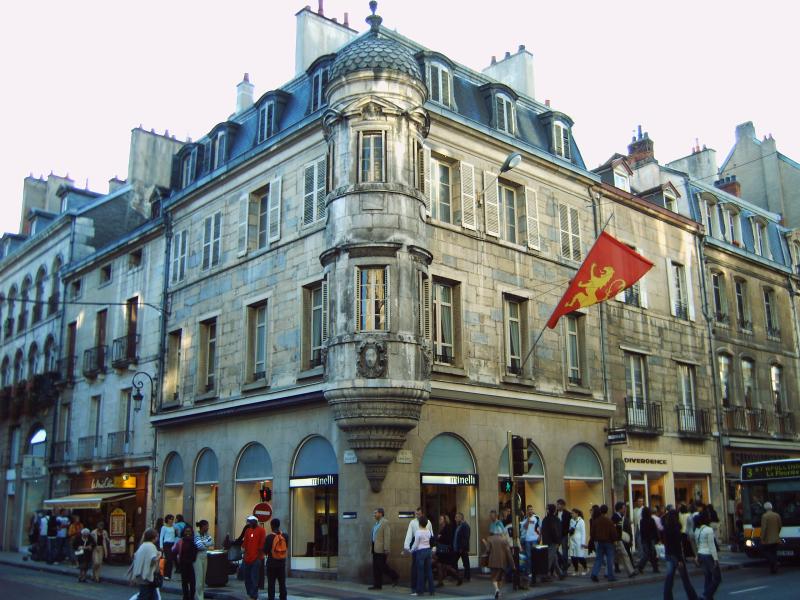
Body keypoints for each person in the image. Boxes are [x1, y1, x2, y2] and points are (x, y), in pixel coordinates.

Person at [662, 508, 699, 600]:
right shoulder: (676, 528)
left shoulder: (666, 528)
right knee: (685, 579)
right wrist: (679, 559)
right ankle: (692, 597)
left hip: (668, 554)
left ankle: (667, 597)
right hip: (676, 555)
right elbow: (677, 545)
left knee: (669, 578)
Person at [403, 507, 432, 591]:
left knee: (426, 568)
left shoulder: (428, 522)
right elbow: (409, 535)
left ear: (422, 514)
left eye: (419, 514)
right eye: (416, 514)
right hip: (417, 549)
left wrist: (432, 547)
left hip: (425, 548)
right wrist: (407, 546)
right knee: (415, 568)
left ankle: (423, 586)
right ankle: (414, 586)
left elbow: (431, 534)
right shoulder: (412, 522)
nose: (417, 515)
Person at [484, 520, 515, 600]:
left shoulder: (490, 539)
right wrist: (512, 564)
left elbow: (487, 550)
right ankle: (499, 591)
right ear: (501, 532)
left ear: (494, 532)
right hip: (502, 562)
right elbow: (508, 553)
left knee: (494, 577)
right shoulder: (504, 540)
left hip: (493, 561)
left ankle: (496, 590)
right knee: (501, 577)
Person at [368, 508, 398, 590]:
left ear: (381, 513)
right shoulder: (376, 523)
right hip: (375, 548)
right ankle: (377, 585)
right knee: (376, 568)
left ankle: (395, 576)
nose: (374, 514)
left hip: (381, 549)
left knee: (382, 566)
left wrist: (386, 548)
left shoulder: (385, 522)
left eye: (376, 513)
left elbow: (387, 536)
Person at [238, 516, 265, 600]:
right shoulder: (247, 530)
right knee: (247, 577)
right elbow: (245, 542)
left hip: (256, 558)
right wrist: (242, 549)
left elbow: (262, 543)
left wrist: (259, 557)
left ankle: (254, 595)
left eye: (250, 522)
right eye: (248, 522)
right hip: (247, 558)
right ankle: (250, 593)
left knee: (254, 577)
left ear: (255, 522)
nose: (249, 523)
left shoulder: (261, 530)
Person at [695, 511, 721, 600]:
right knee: (717, 578)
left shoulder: (697, 530)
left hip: (701, 554)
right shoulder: (708, 530)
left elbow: (697, 544)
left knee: (707, 576)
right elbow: (712, 545)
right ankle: (705, 595)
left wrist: (697, 556)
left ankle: (708, 597)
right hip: (708, 554)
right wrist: (716, 559)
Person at [129, 528, 161, 600]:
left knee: (152, 596)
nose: (157, 538)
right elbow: (153, 559)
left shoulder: (143, 545)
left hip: (142, 576)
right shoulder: (151, 546)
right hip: (147, 577)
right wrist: (159, 555)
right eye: (157, 536)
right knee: (144, 596)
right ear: (154, 537)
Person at [589, 505, 617, 583]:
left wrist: (593, 539)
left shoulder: (596, 521)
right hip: (609, 542)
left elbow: (592, 533)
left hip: (599, 542)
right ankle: (610, 576)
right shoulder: (609, 521)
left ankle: (594, 574)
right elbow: (613, 532)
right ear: (607, 511)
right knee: (609, 559)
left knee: (599, 559)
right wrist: (615, 541)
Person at [264, 518, 289, 600]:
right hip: (282, 563)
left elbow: (265, 551)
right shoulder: (285, 536)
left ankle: (271, 598)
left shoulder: (269, 537)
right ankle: (283, 598)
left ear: (271, 526)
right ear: (279, 525)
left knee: (271, 584)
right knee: (282, 583)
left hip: (271, 564)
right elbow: (286, 548)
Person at [410, 515, 434, 597]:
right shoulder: (428, 531)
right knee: (429, 571)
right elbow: (430, 540)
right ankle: (432, 590)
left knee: (420, 572)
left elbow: (415, 544)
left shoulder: (418, 532)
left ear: (419, 523)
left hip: (420, 552)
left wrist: (411, 550)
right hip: (428, 551)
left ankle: (419, 591)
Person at [434, 514, 460, 586]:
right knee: (443, 566)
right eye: (439, 519)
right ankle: (441, 581)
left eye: (441, 519)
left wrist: (440, 537)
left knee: (444, 566)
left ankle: (441, 582)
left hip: (445, 550)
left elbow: (447, 539)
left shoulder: (447, 528)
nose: (439, 520)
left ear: (445, 520)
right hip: (443, 550)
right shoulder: (442, 528)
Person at [612, 501, 635, 578]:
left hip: (617, 539)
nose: (625, 509)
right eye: (624, 508)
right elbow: (616, 529)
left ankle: (630, 571)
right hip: (618, 539)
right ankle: (631, 572)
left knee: (616, 556)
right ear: (620, 509)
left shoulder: (618, 516)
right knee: (624, 555)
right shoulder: (616, 517)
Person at [760, 501, 782, 574]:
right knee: (774, 552)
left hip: (768, 539)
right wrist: (777, 534)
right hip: (776, 538)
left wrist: (762, 538)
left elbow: (764, 528)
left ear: (765, 508)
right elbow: (779, 526)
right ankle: (774, 567)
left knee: (766, 551)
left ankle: (773, 564)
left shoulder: (764, 516)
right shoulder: (777, 515)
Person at [636, 507, 659, 574]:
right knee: (652, 554)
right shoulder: (651, 520)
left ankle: (642, 566)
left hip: (645, 539)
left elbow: (642, 531)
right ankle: (653, 568)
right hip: (651, 539)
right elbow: (654, 530)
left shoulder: (642, 521)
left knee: (647, 554)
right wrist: (657, 539)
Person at [176, 526, 197, 600]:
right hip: (183, 563)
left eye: (189, 531)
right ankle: (186, 596)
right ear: (184, 532)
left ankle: (191, 596)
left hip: (191, 563)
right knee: (184, 582)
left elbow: (195, 552)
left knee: (192, 582)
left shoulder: (194, 541)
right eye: (186, 531)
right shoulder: (181, 541)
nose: (188, 533)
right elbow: (175, 550)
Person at [520, 505, 540, 583]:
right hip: (528, 539)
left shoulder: (537, 518)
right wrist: (528, 520)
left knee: (535, 555)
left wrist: (539, 536)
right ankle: (529, 571)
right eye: (529, 510)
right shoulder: (525, 518)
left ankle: (534, 571)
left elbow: (540, 527)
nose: (530, 511)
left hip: (535, 538)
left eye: (531, 509)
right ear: (527, 511)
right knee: (528, 556)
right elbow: (524, 527)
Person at [194, 519, 213, 600]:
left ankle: (200, 595)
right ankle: (199, 597)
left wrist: (205, 544)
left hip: (205, 556)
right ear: (202, 526)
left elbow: (212, 542)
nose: (208, 527)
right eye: (207, 526)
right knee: (199, 579)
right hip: (198, 557)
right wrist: (206, 544)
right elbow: (199, 546)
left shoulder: (206, 534)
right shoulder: (196, 535)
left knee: (203, 578)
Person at [452, 512, 471, 582]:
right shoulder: (458, 526)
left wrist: (462, 548)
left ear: (460, 518)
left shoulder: (465, 526)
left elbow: (465, 538)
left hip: (462, 548)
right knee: (454, 562)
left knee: (465, 563)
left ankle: (467, 576)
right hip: (457, 548)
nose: (455, 519)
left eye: (456, 517)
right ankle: (457, 576)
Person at [568, 508, 587, 575]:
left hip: (579, 541)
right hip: (572, 540)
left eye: (572, 513)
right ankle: (576, 570)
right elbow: (570, 530)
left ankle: (585, 568)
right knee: (573, 556)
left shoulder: (581, 521)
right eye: (571, 513)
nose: (571, 514)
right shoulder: (571, 520)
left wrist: (583, 542)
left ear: (577, 513)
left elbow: (583, 532)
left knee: (580, 556)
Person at [159, 514, 177, 580]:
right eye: (170, 519)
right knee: (168, 559)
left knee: (171, 560)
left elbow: (174, 536)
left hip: (172, 544)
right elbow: (161, 537)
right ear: (167, 519)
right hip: (166, 544)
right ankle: (166, 574)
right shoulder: (164, 527)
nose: (171, 521)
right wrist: (161, 546)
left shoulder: (173, 527)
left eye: (172, 519)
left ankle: (168, 575)